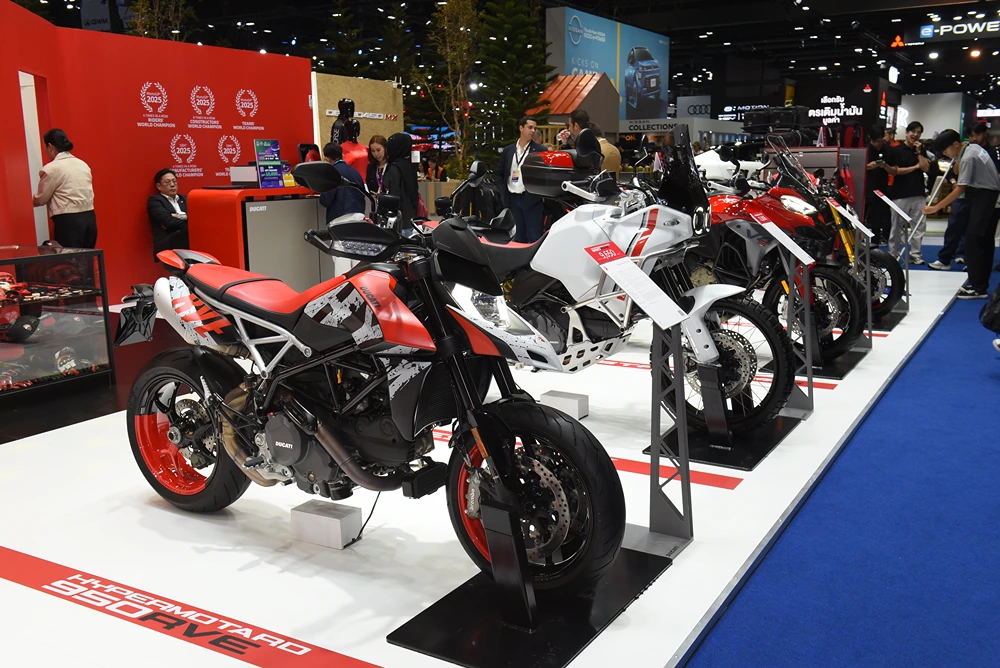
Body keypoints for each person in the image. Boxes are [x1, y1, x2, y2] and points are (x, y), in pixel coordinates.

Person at [923, 129, 1000, 300]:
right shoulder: (973, 149)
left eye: (945, 150)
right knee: (984, 242)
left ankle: (977, 286)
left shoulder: (968, 157)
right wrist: (956, 158)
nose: (945, 154)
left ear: (956, 144)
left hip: (985, 198)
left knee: (974, 242)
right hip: (990, 199)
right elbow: (958, 174)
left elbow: (960, 188)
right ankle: (980, 285)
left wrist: (935, 207)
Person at [32, 129, 97, 248]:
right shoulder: (82, 164)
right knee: (88, 257)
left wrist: (27, 201)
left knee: (70, 257)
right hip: (89, 217)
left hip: (68, 221)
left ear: (50, 146)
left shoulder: (52, 169)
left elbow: (41, 199)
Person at [881, 121, 930, 264]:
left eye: (918, 132)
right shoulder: (897, 150)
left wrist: (919, 152)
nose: (915, 135)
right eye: (913, 132)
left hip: (918, 192)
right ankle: (893, 253)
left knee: (919, 226)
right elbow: (894, 171)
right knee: (896, 226)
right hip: (900, 194)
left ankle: (916, 254)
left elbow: (926, 168)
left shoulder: (920, 150)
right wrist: (915, 167)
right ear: (907, 133)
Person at [496, 115, 545, 242]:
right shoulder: (508, 150)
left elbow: (543, 176)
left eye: (534, 128)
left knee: (535, 236)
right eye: (530, 127)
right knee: (518, 237)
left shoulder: (540, 150)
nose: (533, 131)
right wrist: (503, 193)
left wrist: (538, 194)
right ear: (521, 128)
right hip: (513, 198)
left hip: (532, 199)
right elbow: (499, 173)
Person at [319, 143, 366, 223]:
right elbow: (362, 193)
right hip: (359, 215)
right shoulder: (355, 172)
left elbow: (326, 200)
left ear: (327, 159)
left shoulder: (332, 173)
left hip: (339, 217)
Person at [147, 169, 189, 258]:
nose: (172, 185)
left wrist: (177, 216)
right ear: (159, 186)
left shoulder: (185, 199)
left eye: (174, 181)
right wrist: (189, 223)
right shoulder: (155, 201)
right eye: (167, 182)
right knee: (189, 232)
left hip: (187, 242)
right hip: (168, 243)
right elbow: (169, 222)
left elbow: (196, 218)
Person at [382, 132, 418, 234]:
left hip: (396, 222)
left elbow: (392, 197)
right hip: (410, 218)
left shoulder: (394, 168)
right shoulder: (409, 166)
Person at [865, 124, 891, 245]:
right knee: (862, 216)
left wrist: (885, 165)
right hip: (866, 188)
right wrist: (869, 166)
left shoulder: (887, 150)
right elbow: (857, 168)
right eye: (876, 141)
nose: (878, 144)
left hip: (881, 188)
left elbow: (894, 169)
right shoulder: (865, 150)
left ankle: (876, 242)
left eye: (880, 141)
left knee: (878, 217)